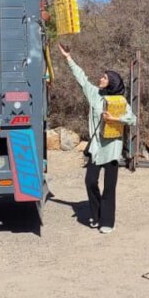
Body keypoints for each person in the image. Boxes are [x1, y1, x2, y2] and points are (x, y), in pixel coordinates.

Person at [56, 43, 136, 234]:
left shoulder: (121, 101)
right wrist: (68, 58)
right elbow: (81, 78)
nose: (100, 79)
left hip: (113, 148)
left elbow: (132, 119)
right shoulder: (94, 94)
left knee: (109, 187)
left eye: (104, 78)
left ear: (112, 83)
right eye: (101, 76)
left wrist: (115, 118)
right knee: (90, 181)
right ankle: (96, 213)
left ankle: (107, 221)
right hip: (96, 147)